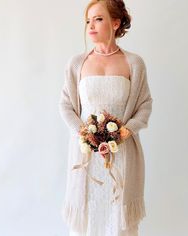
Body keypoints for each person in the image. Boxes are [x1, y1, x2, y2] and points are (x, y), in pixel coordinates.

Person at [59, 0, 153, 235]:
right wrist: (84, 134)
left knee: (118, 219)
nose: (90, 26)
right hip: (86, 156)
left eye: (98, 19)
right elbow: (66, 105)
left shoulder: (134, 63)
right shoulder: (77, 63)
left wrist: (125, 132)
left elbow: (144, 105)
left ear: (115, 22)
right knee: (88, 218)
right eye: (88, 20)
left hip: (122, 154)